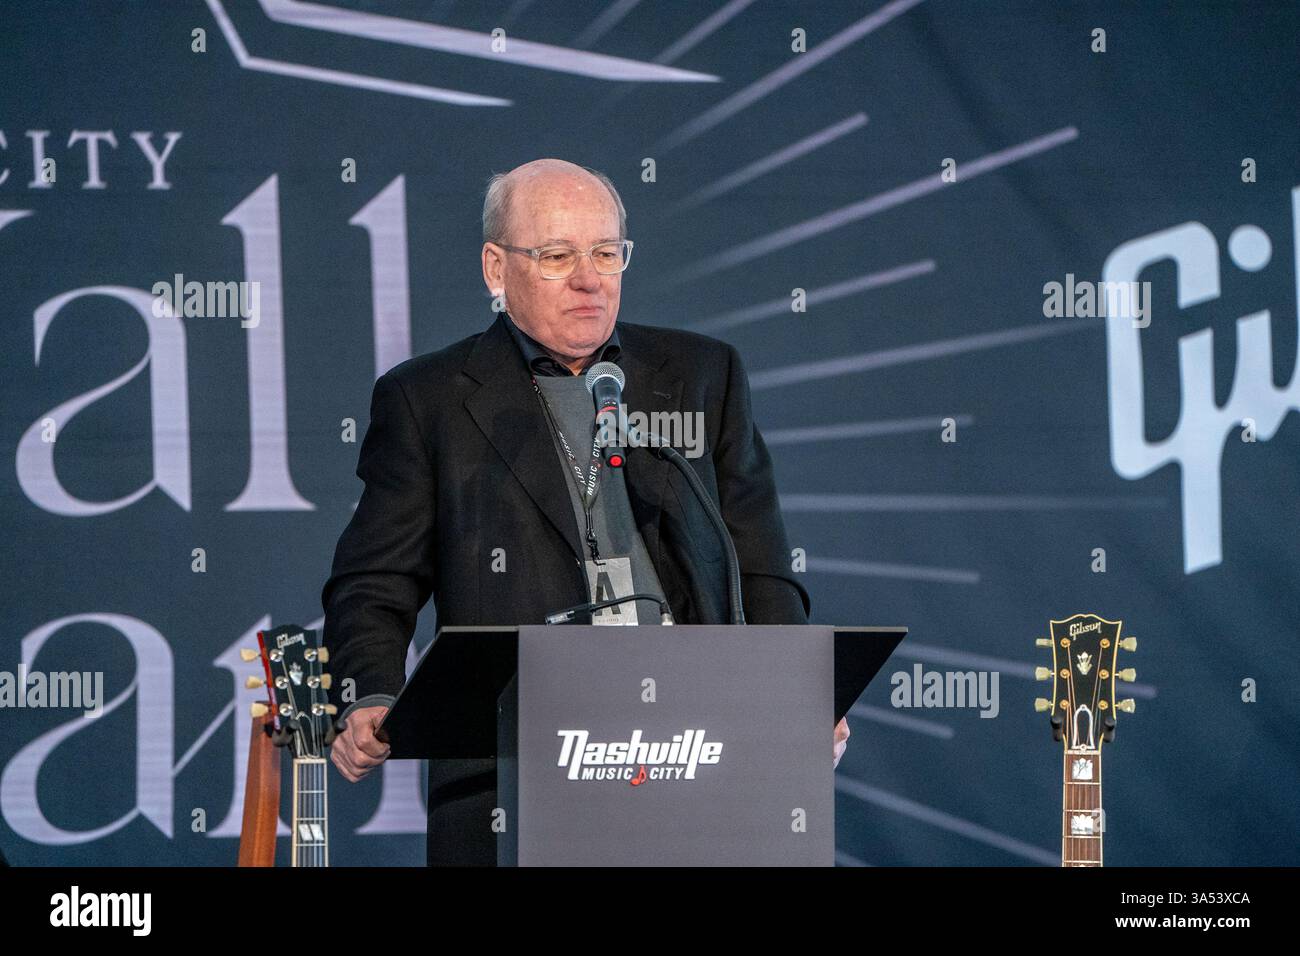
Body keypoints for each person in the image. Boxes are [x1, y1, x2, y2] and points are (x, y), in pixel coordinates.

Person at [322, 158, 849, 865]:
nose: (589, 277)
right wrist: (369, 690)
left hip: (695, 750)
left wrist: (799, 690)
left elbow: (758, 562)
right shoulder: (429, 400)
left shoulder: (701, 375)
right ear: (495, 268)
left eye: (605, 253)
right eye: (556, 255)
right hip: (517, 762)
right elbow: (373, 580)